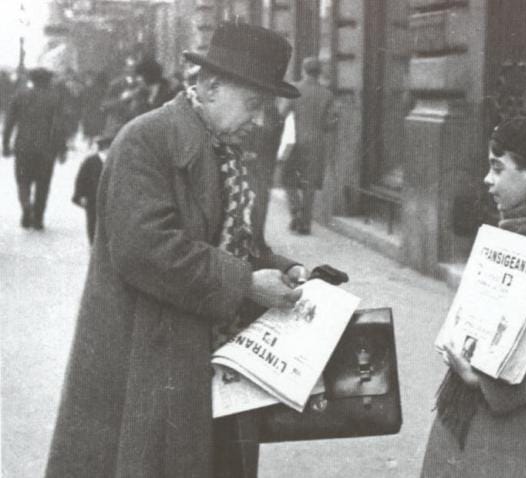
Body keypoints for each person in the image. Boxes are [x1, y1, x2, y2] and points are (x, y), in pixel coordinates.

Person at [45, 22, 307, 478]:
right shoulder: (146, 139)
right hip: (149, 357)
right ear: (208, 86)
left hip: (206, 355)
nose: (261, 121)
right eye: (254, 104)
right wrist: (245, 283)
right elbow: (144, 248)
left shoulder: (219, 145)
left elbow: (232, 239)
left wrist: (286, 269)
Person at [421, 116, 526, 478]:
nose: (488, 180)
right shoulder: (517, 232)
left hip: (524, 430)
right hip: (488, 420)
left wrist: (479, 382)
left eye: (497, 169)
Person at [2, 67, 66, 230]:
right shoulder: (55, 98)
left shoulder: (20, 96)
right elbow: (59, 126)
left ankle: (26, 207)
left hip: (23, 147)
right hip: (47, 149)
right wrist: (62, 149)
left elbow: (9, 123)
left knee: (23, 181)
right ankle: (38, 218)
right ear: (48, 80)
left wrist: (5, 145)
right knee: (43, 184)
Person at [280, 56, 337, 234]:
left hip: (295, 142)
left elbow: (282, 113)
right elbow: (329, 124)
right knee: (309, 184)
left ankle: (296, 211)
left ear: (303, 70)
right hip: (316, 144)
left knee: (287, 178)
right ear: (319, 72)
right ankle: (305, 224)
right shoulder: (327, 94)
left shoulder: (294, 89)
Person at [71, 134, 111, 243]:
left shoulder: (114, 162)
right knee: (92, 221)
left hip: (110, 199)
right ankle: (93, 243)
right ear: (103, 149)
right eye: (108, 148)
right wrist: (80, 195)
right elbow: (81, 179)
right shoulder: (90, 161)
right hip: (92, 198)